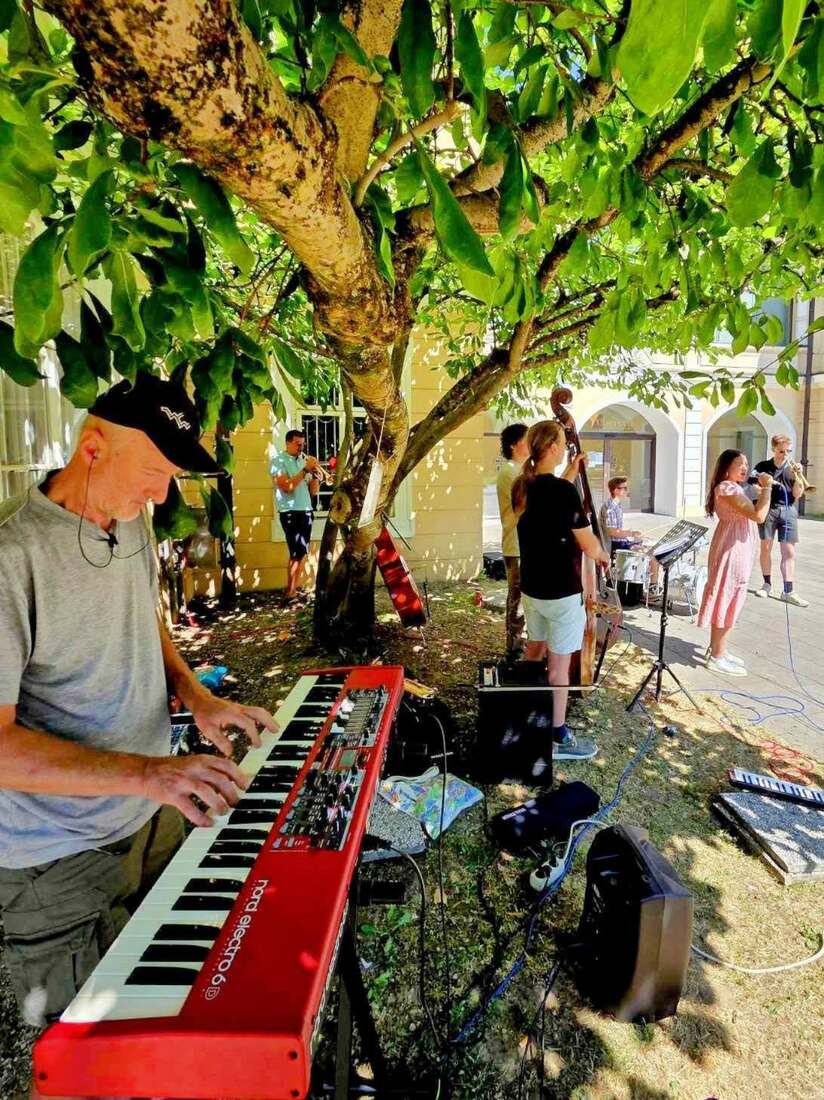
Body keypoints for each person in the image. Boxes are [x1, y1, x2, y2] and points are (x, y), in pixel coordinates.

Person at [0, 374, 278, 1099]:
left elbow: (142, 617)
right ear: (93, 447)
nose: (161, 494)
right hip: (55, 858)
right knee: (85, 1067)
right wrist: (150, 774)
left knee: (165, 1020)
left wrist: (195, 695)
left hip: (149, 816)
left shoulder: (128, 521)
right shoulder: (10, 557)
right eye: (154, 472)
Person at [512, 420, 611, 769]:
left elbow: (550, 500)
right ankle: (557, 736)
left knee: (534, 650)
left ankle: (523, 715)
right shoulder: (562, 493)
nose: (565, 448)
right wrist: (603, 554)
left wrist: (570, 470)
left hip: (532, 590)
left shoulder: (524, 486)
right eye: (562, 444)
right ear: (553, 447)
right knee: (558, 670)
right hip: (561, 594)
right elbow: (588, 544)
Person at [697, 449, 773, 677]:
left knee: (731, 597)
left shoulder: (734, 487)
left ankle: (719, 649)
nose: (745, 468)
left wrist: (759, 492)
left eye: (746, 464)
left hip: (738, 547)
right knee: (727, 597)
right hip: (732, 549)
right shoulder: (727, 487)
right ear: (726, 467)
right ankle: (717, 656)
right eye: (740, 464)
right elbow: (758, 516)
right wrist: (767, 489)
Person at [752, 435, 808, 606]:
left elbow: (797, 495)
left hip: (788, 509)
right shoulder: (763, 466)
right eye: (781, 451)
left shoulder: (792, 469)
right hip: (768, 508)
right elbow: (753, 485)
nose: (785, 454)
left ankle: (788, 591)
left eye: (788, 451)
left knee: (789, 552)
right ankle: (767, 584)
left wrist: (799, 477)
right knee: (766, 548)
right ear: (773, 449)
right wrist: (762, 489)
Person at [270, 429, 321, 599]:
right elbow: (287, 487)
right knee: (296, 552)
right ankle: (290, 592)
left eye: (303, 444)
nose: (301, 447)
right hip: (290, 512)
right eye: (298, 444)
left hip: (306, 511)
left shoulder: (302, 461)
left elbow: (313, 492)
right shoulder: (278, 461)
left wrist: (316, 475)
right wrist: (305, 470)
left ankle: (292, 590)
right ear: (288, 443)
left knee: (300, 553)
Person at [496, 423, 530, 659]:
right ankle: (514, 647)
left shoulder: (520, 470)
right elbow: (525, 505)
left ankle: (519, 644)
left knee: (521, 597)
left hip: (523, 544)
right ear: (514, 445)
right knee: (517, 598)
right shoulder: (510, 471)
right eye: (527, 439)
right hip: (516, 545)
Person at [598, 476, 643, 556]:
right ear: (616, 490)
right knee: (646, 552)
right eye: (625, 488)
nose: (627, 490)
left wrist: (629, 534)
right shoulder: (610, 508)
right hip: (613, 546)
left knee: (641, 543)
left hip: (617, 542)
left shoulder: (616, 504)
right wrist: (632, 533)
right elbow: (613, 532)